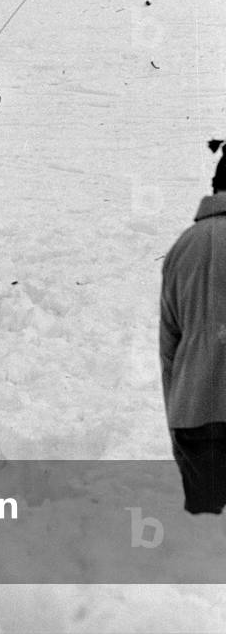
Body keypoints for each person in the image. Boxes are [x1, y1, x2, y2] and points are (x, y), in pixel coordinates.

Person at [160, 141, 226, 514]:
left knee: (202, 541)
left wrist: (178, 425)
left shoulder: (181, 248)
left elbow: (168, 350)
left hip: (194, 416)